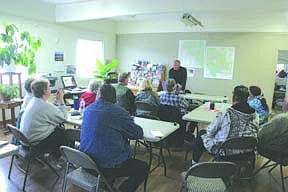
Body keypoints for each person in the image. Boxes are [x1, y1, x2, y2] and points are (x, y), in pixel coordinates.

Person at [80, 84, 149, 192]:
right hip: (105, 166)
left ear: (98, 95)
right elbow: (138, 133)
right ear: (114, 97)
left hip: (86, 162)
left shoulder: (88, 109)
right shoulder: (119, 112)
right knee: (143, 168)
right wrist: (128, 121)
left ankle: (107, 186)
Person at [191, 85, 259, 165]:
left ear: (233, 98)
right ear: (247, 98)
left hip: (226, 153)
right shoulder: (255, 116)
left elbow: (210, 133)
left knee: (202, 133)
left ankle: (194, 163)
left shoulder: (225, 114)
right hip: (247, 153)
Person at [20, 79, 68, 159]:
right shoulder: (43, 105)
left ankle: (55, 156)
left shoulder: (33, 101)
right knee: (61, 133)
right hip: (34, 144)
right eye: (49, 87)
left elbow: (49, 109)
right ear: (45, 91)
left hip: (25, 142)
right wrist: (62, 100)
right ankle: (56, 157)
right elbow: (63, 118)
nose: (50, 89)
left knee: (57, 128)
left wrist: (57, 101)